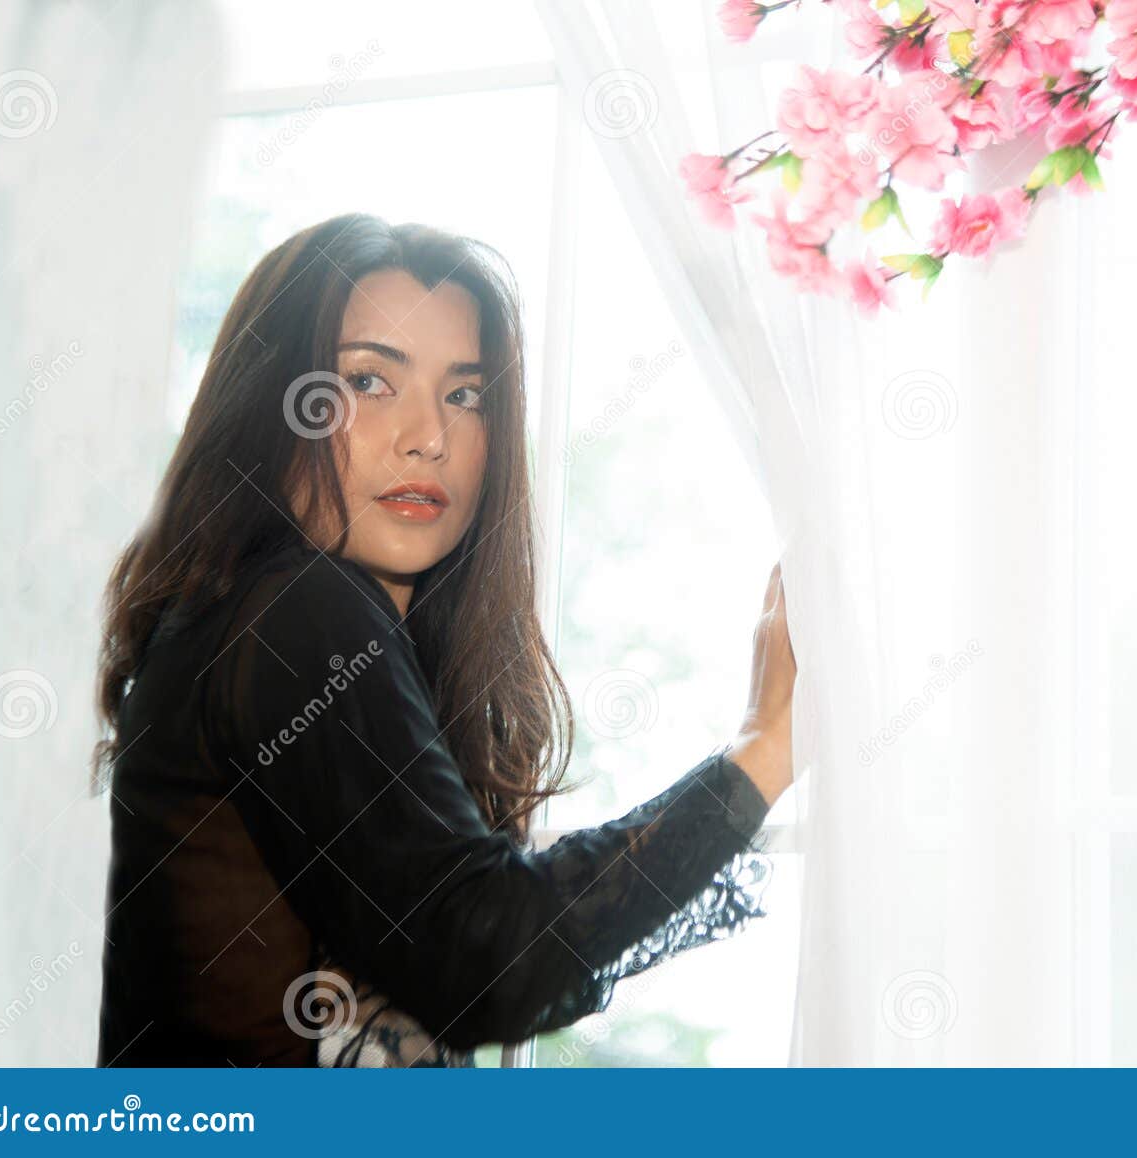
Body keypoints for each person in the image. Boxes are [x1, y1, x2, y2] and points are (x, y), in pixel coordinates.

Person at [92, 214, 796, 1066]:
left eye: (466, 395)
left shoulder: (267, 622)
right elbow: (485, 964)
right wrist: (765, 749)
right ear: (270, 408)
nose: (428, 434)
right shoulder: (299, 612)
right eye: (370, 380)